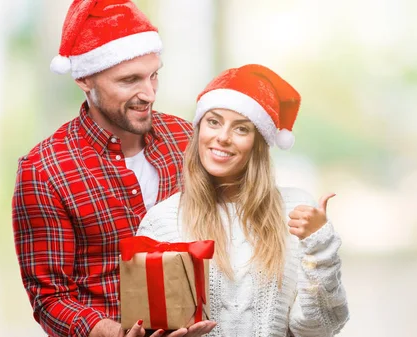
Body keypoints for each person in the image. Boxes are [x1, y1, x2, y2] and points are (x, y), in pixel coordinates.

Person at [11, 1, 216, 336]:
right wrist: (108, 331)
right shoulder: (44, 171)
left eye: (154, 76)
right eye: (129, 80)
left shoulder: (186, 139)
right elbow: (50, 297)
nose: (148, 93)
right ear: (85, 79)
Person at [136, 64, 350, 337]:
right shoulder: (163, 221)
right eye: (213, 122)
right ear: (199, 129)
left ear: (259, 143)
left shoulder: (294, 210)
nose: (222, 138)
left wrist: (320, 248)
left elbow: (319, 328)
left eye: (241, 129)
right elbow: (153, 326)